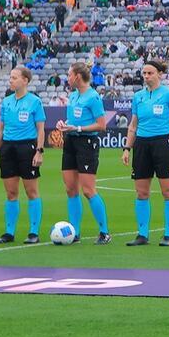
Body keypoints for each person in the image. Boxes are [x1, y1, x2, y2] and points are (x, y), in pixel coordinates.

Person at [122, 60, 169, 246]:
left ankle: (168, 235)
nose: (146, 76)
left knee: (168, 191)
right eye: (144, 73)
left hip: (162, 144)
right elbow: (133, 125)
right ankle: (142, 235)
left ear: (159, 74)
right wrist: (127, 148)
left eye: (150, 73)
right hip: (141, 144)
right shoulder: (138, 96)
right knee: (141, 192)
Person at [55, 62, 111, 244]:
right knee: (70, 189)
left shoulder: (93, 97)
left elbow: (101, 125)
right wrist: (63, 124)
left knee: (88, 190)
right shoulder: (73, 96)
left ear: (78, 76)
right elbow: (73, 119)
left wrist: (77, 127)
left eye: (69, 74)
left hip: (87, 143)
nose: (67, 78)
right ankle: (74, 233)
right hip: (70, 141)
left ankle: (104, 232)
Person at [0, 67, 46, 244]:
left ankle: (33, 232)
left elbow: (41, 129)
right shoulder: (6, 102)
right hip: (8, 148)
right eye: (10, 77)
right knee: (11, 192)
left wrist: (39, 151)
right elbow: (1, 128)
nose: (10, 80)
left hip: (27, 147)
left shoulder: (34, 102)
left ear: (25, 81)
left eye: (14, 78)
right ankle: (9, 232)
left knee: (31, 191)